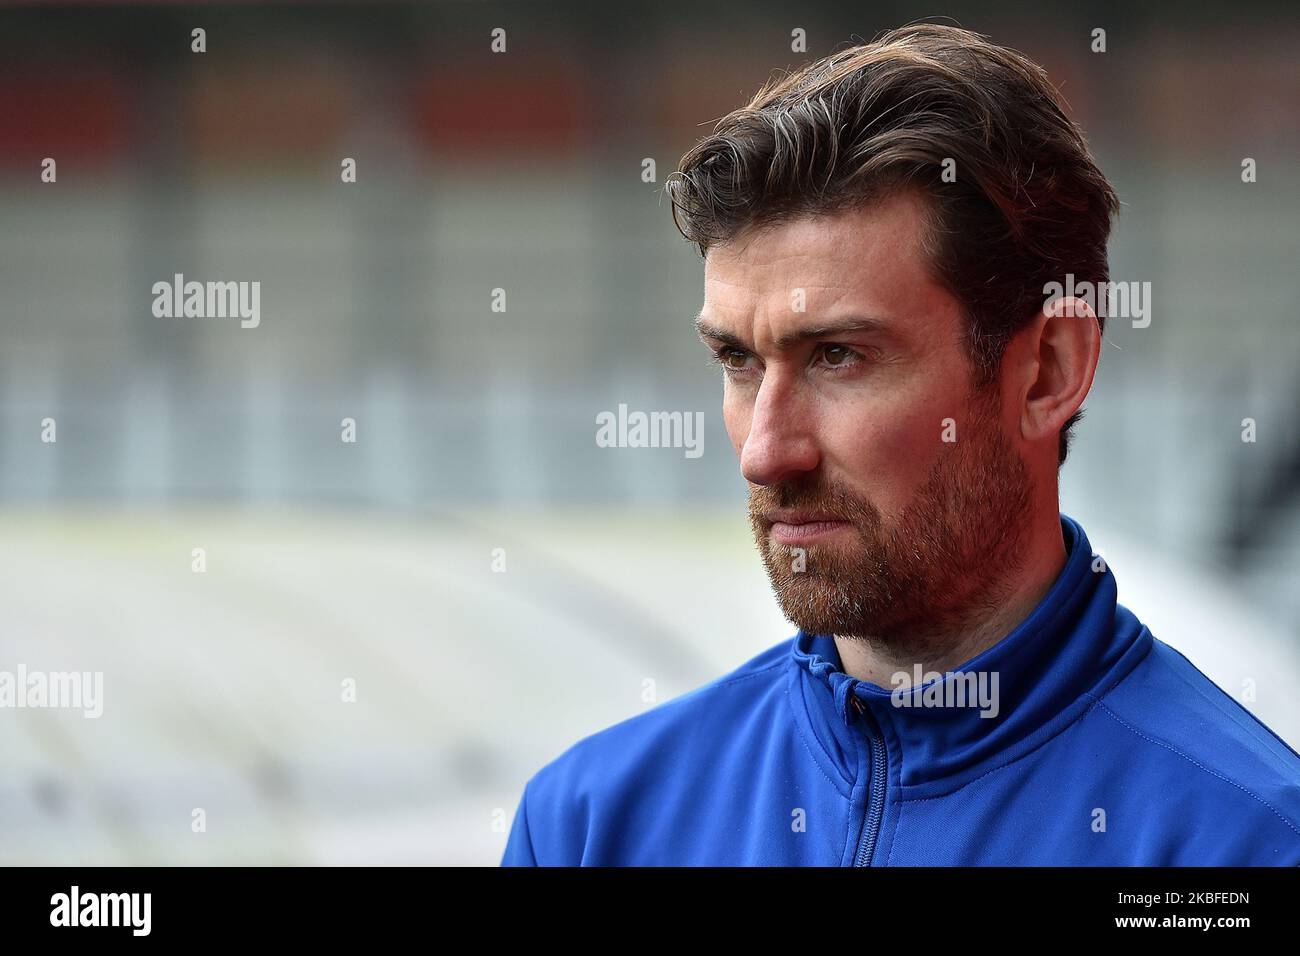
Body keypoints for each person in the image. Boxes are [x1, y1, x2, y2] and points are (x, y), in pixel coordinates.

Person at [500, 23, 1300, 865]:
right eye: (737, 359)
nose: (765, 453)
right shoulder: (592, 825)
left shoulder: (1242, 845)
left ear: (1047, 373)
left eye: (838, 357)